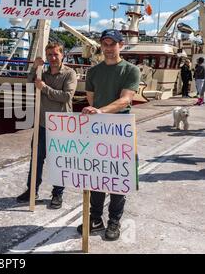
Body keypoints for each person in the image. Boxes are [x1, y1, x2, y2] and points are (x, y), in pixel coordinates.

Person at [78, 29, 140, 241]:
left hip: (120, 130)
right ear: (101, 46)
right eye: (105, 44)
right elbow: (91, 100)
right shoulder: (93, 72)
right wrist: (96, 111)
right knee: (96, 176)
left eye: (112, 44)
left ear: (121, 45)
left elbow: (126, 100)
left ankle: (114, 221)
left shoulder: (131, 70)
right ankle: (95, 218)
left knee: (117, 179)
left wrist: (101, 111)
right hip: (98, 130)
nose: (108, 48)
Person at [16, 42, 78, 209]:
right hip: (42, 124)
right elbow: (30, 84)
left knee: (59, 160)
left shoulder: (70, 74)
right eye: (49, 54)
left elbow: (66, 96)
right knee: (36, 158)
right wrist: (34, 68)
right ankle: (32, 191)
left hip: (61, 125)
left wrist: (44, 88)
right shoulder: (42, 72)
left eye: (55, 54)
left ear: (62, 55)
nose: (52, 58)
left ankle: (57, 193)